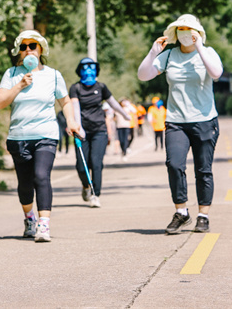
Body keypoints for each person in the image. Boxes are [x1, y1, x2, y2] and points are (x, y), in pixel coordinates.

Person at [138, 14, 223, 235]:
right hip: (176, 121)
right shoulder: (169, 56)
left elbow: (216, 73)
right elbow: (144, 75)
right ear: (176, 33)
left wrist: (200, 47)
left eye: (189, 29)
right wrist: (153, 52)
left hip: (205, 120)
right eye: (181, 29)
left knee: (203, 170)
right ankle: (182, 212)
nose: (185, 33)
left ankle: (203, 215)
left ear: (197, 32)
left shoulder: (209, 53)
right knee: (174, 165)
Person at [0, 30, 80, 242]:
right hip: (19, 136)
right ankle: (29, 217)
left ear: (40, 49)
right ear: (19, 52)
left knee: (41, 176)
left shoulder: (53, 75)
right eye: (23, 47)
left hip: (46, 135)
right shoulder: (12, 73)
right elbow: (0, 102)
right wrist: (20, 85)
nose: (28, 50)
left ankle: (44, 225)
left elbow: (65, 101)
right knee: (25, 184)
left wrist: (71, 121)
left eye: (32, 46)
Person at [69, 58, 130, 208]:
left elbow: (113, 103)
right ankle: (85, 186)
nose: (88, 70)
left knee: (96, 164)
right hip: (81, 131)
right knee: (82, 166)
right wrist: (79, 127)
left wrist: (124, 114)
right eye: (84, 67)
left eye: (91, 67)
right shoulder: (75, 88)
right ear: (80, 70)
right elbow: (75, 108)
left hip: (99, 131)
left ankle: (95, 195)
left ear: (96, 70)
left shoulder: (101, 87)